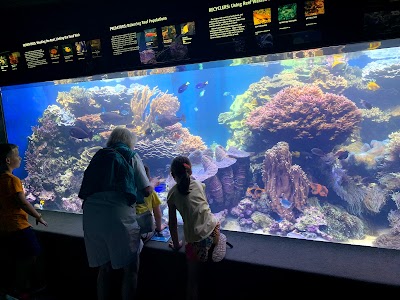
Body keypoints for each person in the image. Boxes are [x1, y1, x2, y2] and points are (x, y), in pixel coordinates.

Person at [79, 127, 154, 300]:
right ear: (130, 141)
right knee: (130, 269)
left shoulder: (99, 155)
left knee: (104, 269)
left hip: (91, 216)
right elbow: (147, 191)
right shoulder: (131, 155)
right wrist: (153, 182)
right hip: (118, 216)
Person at [167, 155, 220, 300]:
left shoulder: (172, 194)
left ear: (172, 175)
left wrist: (178, 245)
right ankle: (214, 245)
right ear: (190, 171)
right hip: (213, 229)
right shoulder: (199, 184)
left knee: (192, 281)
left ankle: (204, 253)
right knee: (212, 224)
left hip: (196, 241)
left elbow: (172, 224)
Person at [0, 143, 48, 298]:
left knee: (17, 257)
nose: (19, 157)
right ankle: (20, 289)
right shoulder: (13, 180)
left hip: (5, 226)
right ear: (8, 160)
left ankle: (17, 287)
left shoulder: (1, 178)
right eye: (16, 154)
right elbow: (22, 202)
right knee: (31, 253)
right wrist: (38, 216)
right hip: (18, 225)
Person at [136, 165, 167, 242]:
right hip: (144, 230)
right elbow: (158, 214)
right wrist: (159, 228)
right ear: (148, 179)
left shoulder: (131, 192)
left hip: (131, 227)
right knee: (152, 230)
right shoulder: (151, 193)